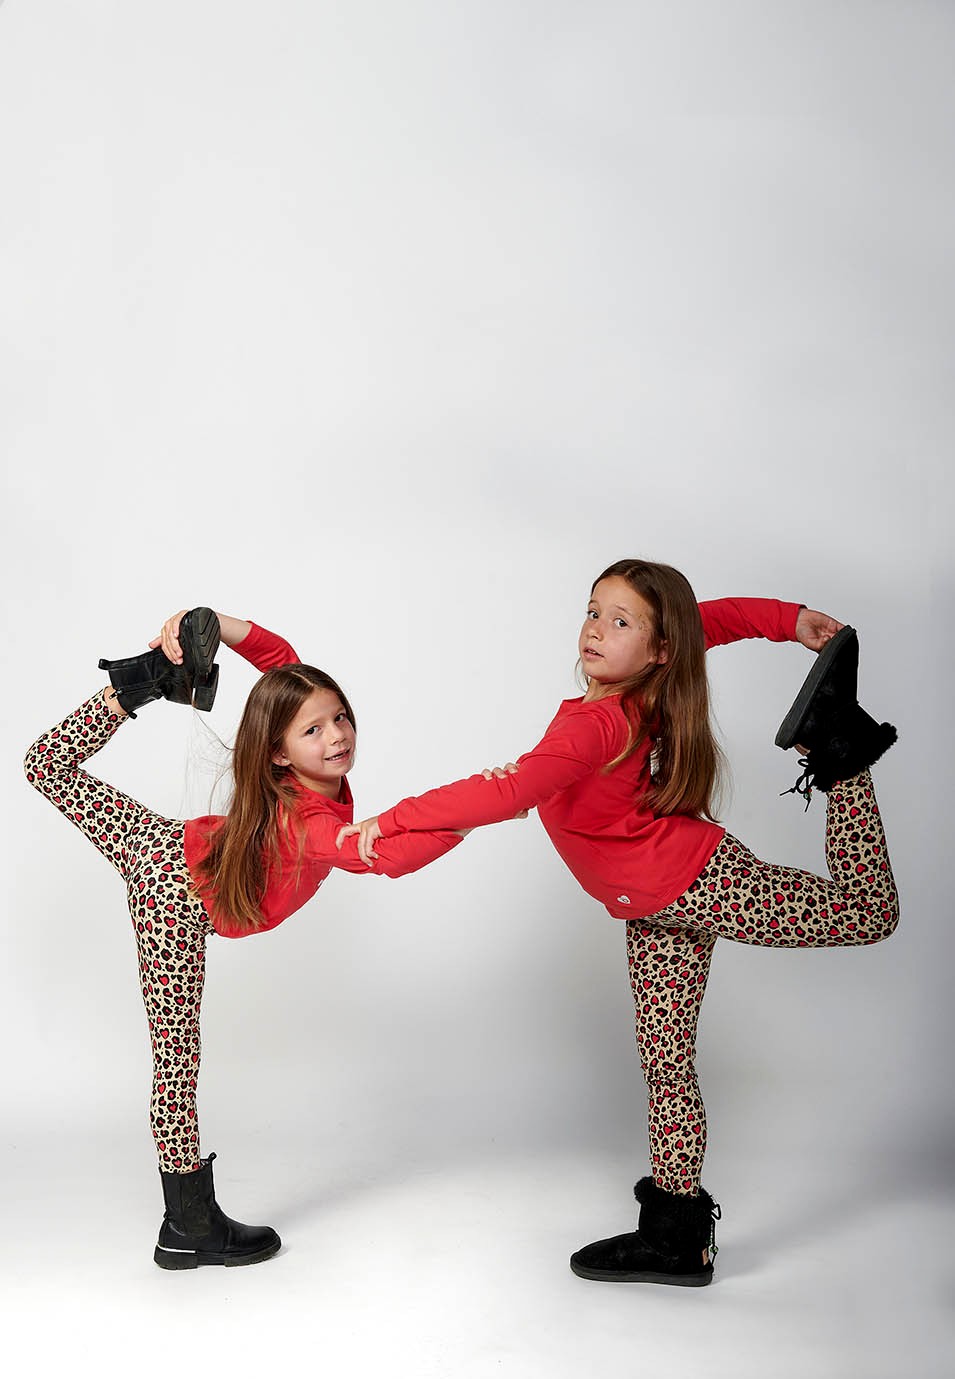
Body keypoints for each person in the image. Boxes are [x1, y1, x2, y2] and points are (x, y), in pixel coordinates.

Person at [337, 559, 899, 1287]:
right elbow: (707, 622)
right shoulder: (636, 693)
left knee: (865, 909)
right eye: (593, 610)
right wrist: (786, 619)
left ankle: (840, 746)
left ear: (657, 650)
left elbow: (506, 789)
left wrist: (396, 816)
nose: (595, 628)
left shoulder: (600, 723)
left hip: (698, 882)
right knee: (665, 1062)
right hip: (656, 909)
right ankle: (676, 1236)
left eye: (620, 620)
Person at [23, 608, 468, 1270]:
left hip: (169, 844)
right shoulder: (302, 822)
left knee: (44, 765)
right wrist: (483, 808)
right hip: (170, 892)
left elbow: (282, 657)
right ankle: (188, 1223)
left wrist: (210, 621)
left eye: (340, 717)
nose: (337, 734)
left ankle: (146, 681)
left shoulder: (303, 778)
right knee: (177, 1056)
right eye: (315, 729)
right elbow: (381, 854)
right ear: (280, 751)